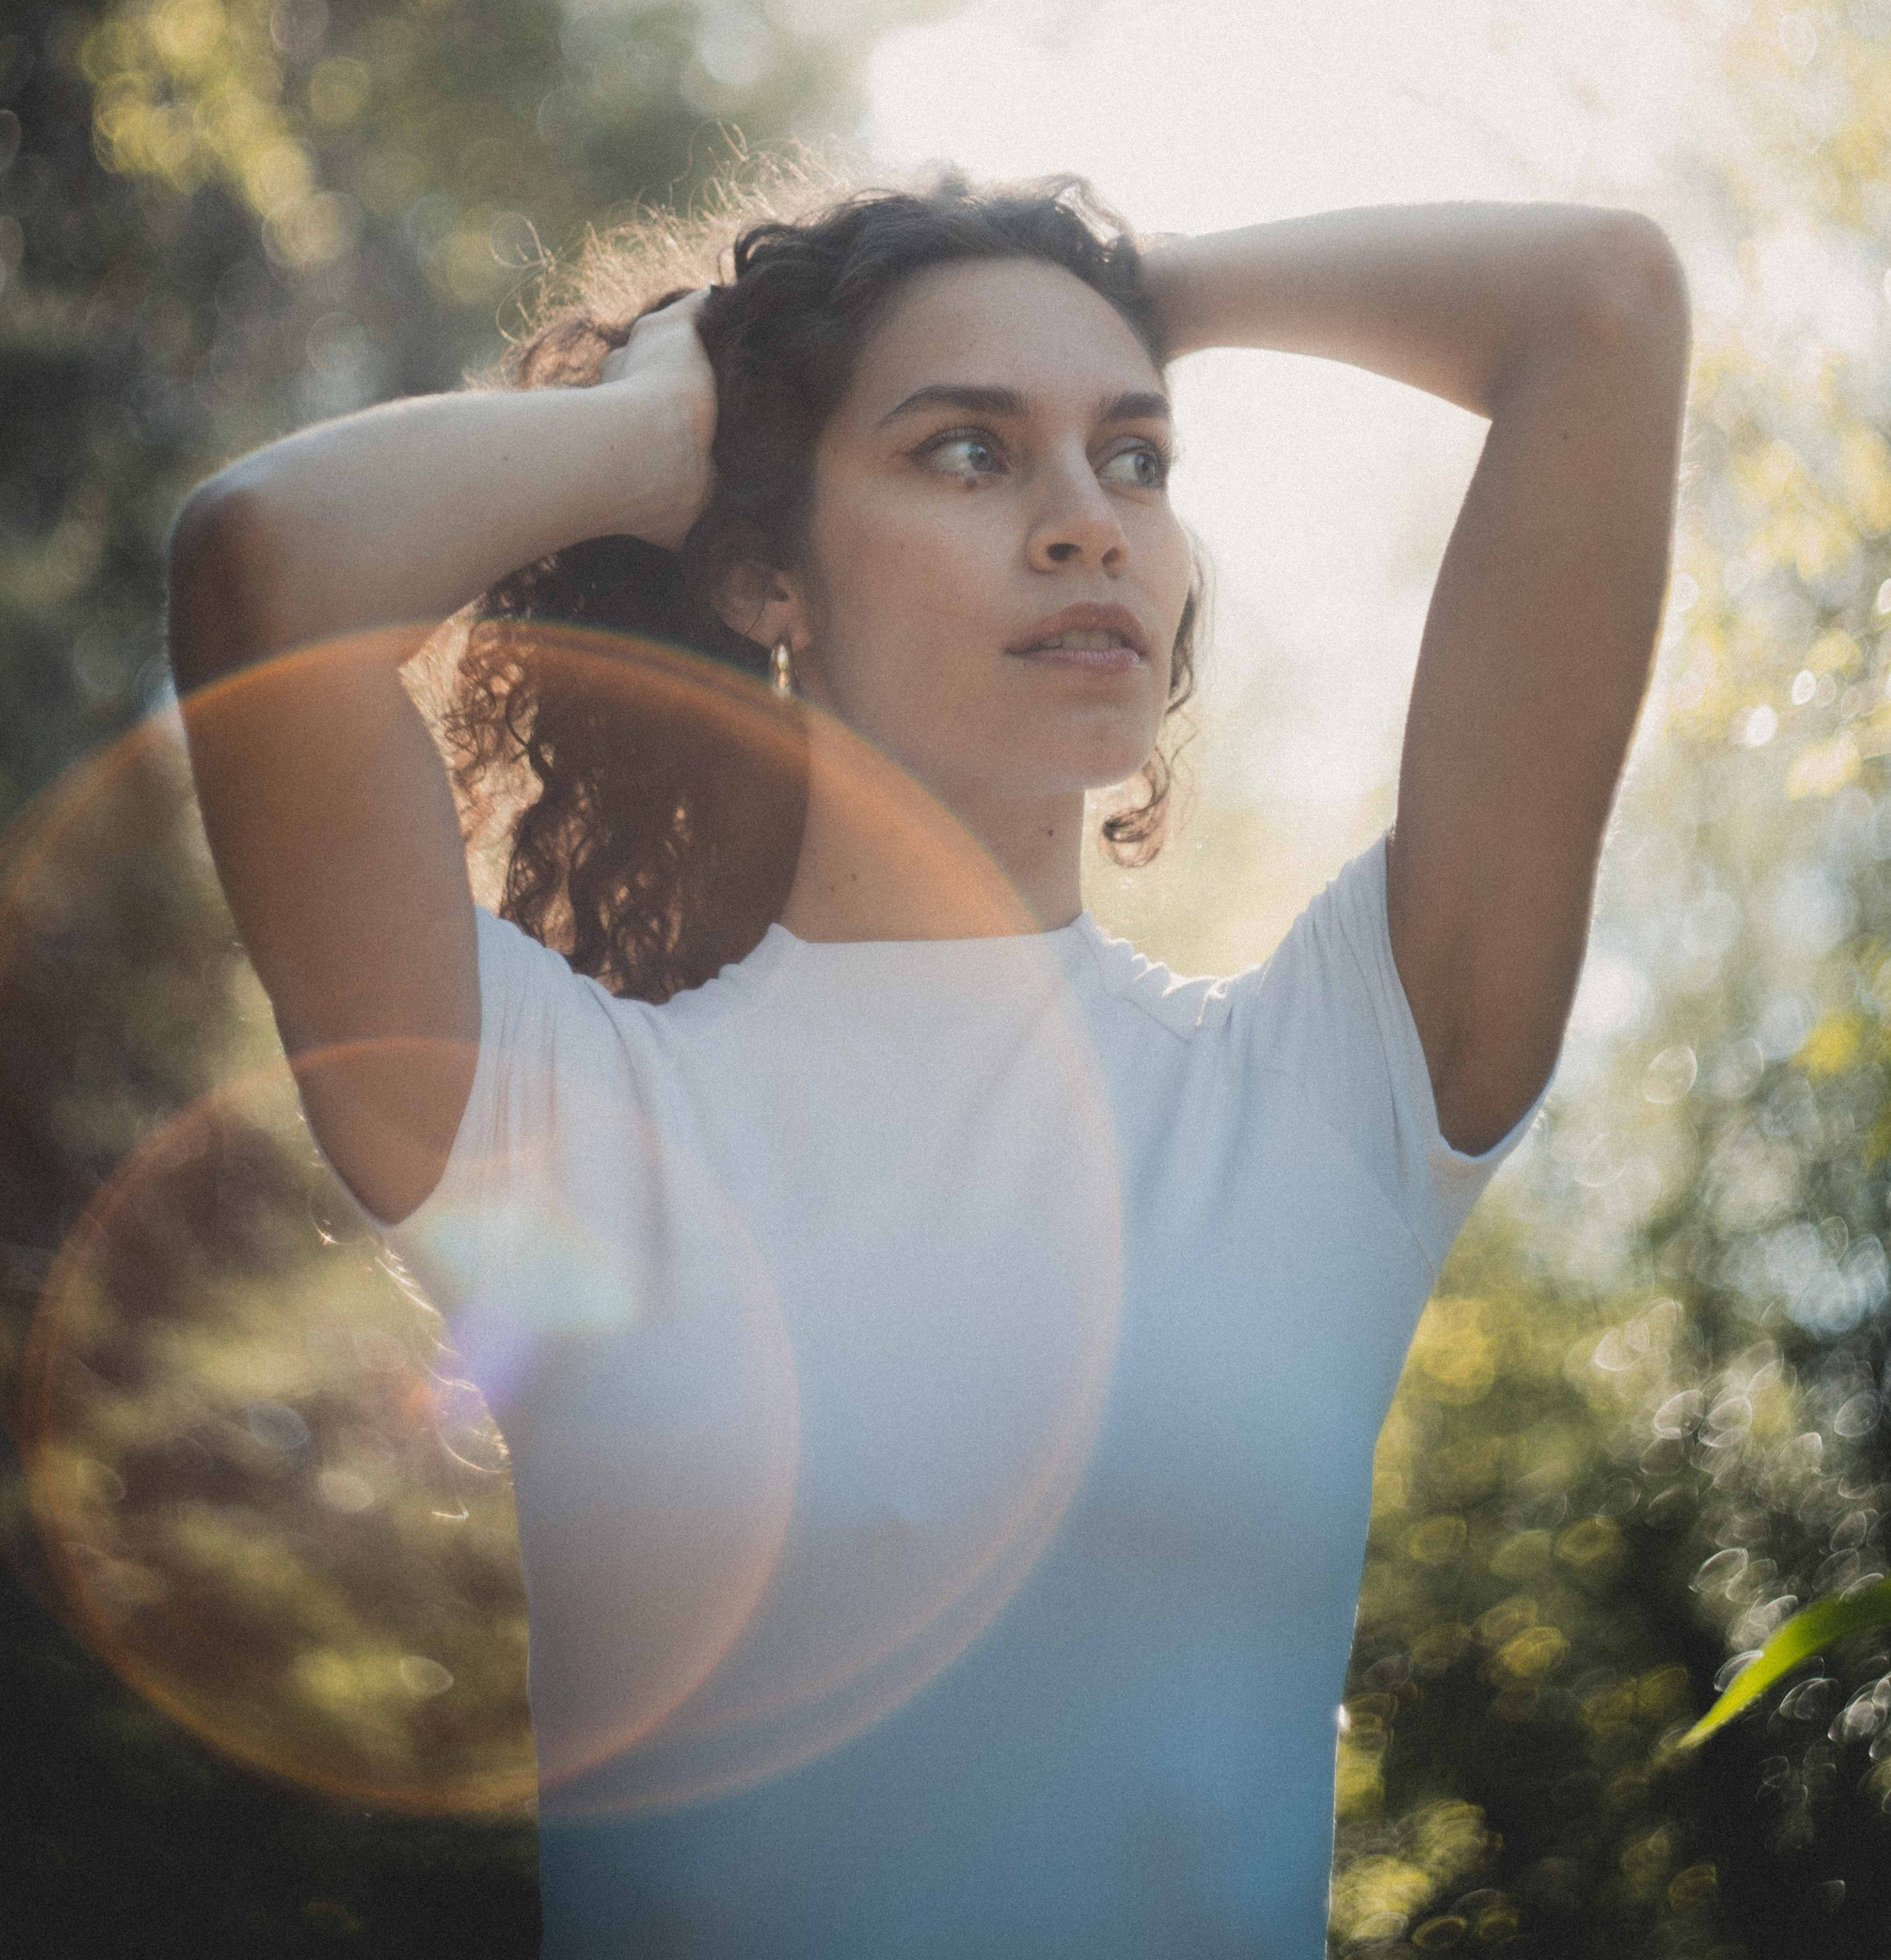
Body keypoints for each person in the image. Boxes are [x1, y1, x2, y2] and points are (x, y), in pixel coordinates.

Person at [165, 166, 1691, 1958]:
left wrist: (1113, 290)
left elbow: (1598, 303)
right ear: (761, 575)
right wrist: (676, 416)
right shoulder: (569, 1129)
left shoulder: (1324, 1103)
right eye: (966, 454)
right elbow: (264, 565)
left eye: (1134, 458)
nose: (1084, 525)